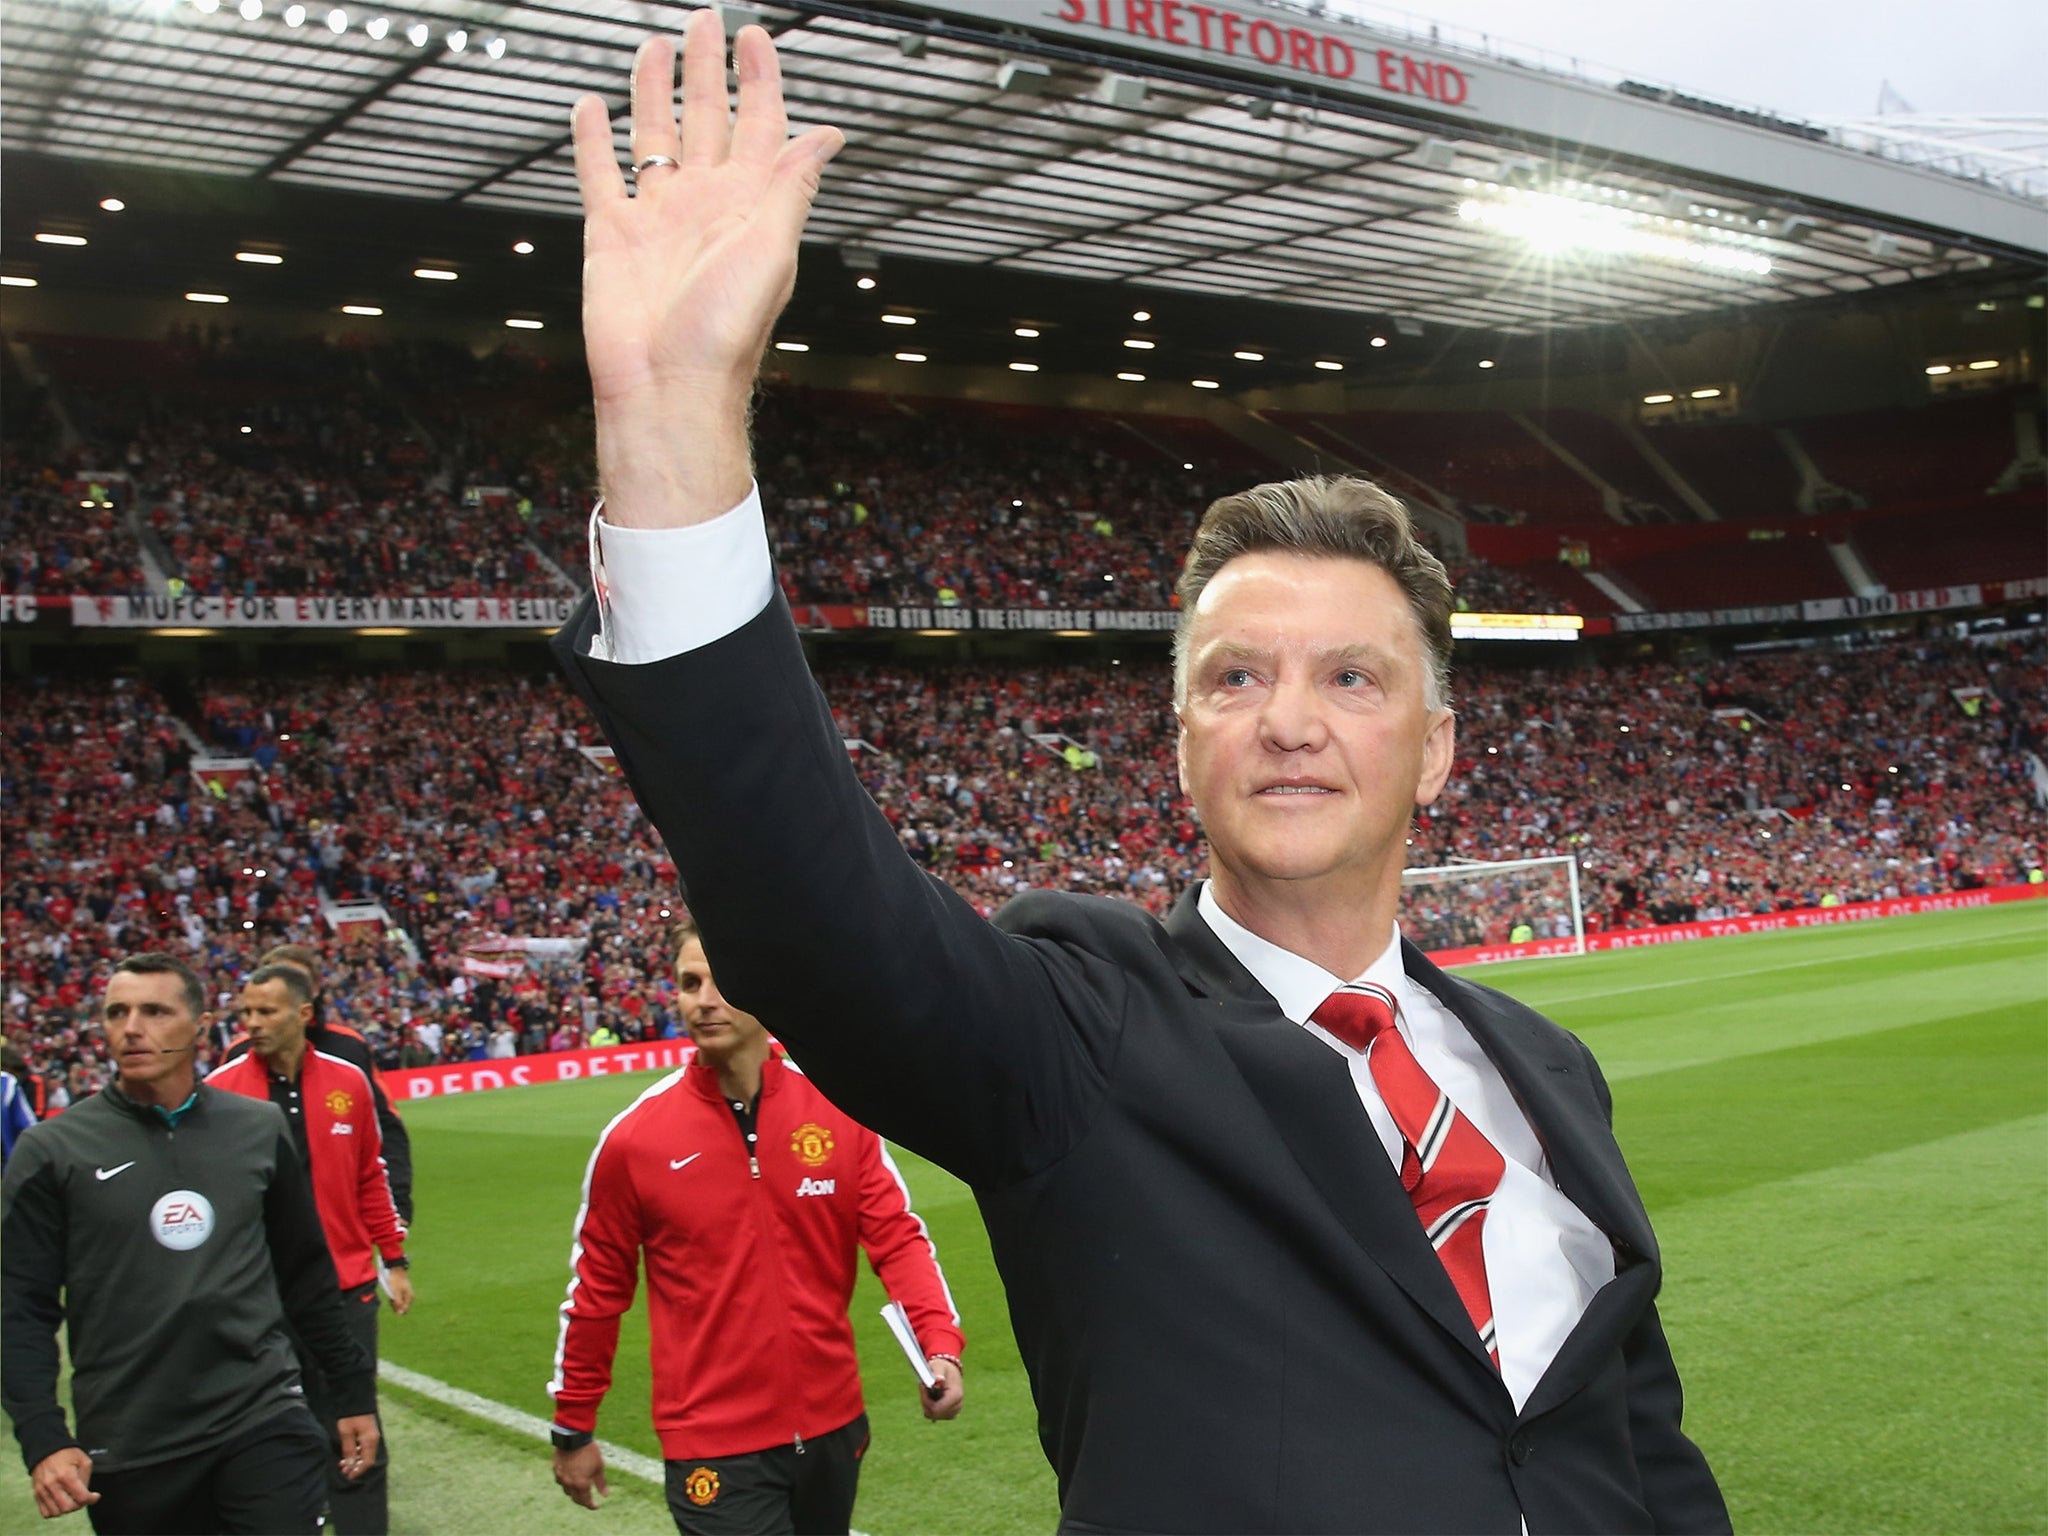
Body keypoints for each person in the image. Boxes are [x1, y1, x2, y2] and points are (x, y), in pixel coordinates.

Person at [545, 19, 1731, 1535]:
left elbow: (1644, 1452)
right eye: (1235, 678)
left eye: (1352, 678)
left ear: (1437, 745)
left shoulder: (1545, 1068)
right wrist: (674, 421)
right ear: (1180, 741)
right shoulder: (1084, 1034)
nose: (1289, 720)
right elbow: (810, 916)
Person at [547, 919, 965, 1535]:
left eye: (722, 983)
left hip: (834, 1426)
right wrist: (573, 1426)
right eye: (690, 984)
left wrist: (939, 1346)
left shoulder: (836, 1110)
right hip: (712, 1444)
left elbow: (897, 1236)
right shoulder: (633, 1142)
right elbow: (597, 1294)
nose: (704, 1000)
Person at [2, 953, 379, 1534]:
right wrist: (43, 1435)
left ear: (200, 1026)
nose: (132, 1027)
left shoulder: (256, 1129)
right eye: (117, 1012)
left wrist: (350, 1394)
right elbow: (18, 1306)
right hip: (132, 1438)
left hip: (261, 1415)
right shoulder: (53, 1150)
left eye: (155, 1011)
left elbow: (303, 1272)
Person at [208, 964, 413, 1536]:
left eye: (266, 1011)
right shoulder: (221, 1090)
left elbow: (370, 1177)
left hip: (345, 1289)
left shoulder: (348, 1082)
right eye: (246, 1012)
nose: (252, 1023)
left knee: (355, 1423)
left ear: (302, 1014)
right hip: (260, 1296)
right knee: (270, 1434)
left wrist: (393, 1259)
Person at [219, 944, 414, 1225]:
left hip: (340, 1223)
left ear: (314, 990)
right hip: (262, 1224)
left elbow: (385, 1126)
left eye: (297, 981)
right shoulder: (237, 1057)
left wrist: (398, 1205)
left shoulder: (348, 1047)